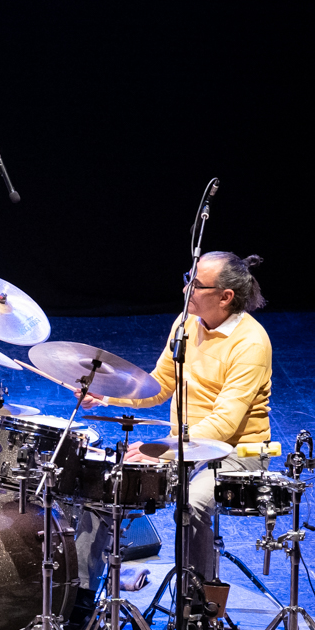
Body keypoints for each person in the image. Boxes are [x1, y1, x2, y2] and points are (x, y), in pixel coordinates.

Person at [88, 251, 271, 591]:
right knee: (104, 478)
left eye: (196, 284)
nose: (186, 289)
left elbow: (224, 424)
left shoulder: (251, 342)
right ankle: (88, 588)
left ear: (225, 297)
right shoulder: (185, 323)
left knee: (193, 503)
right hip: (186, 447)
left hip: (235, 454)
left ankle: (197, 603)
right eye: (187, 277)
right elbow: (159, 385)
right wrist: (106, 396)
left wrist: (162, 450)